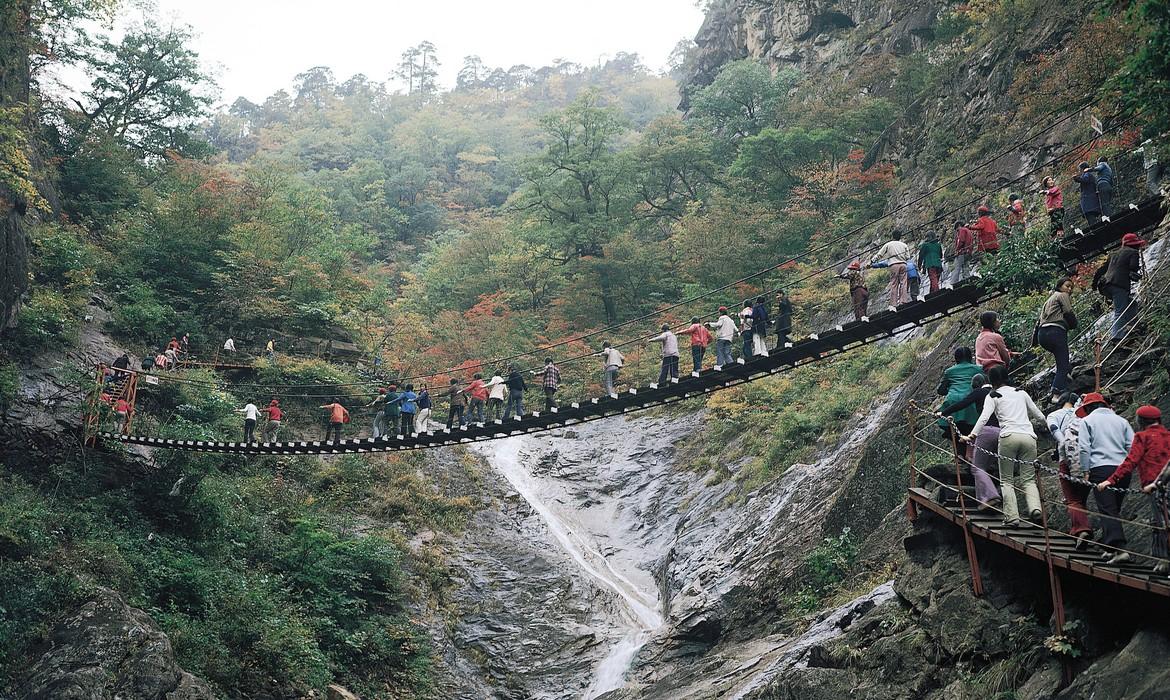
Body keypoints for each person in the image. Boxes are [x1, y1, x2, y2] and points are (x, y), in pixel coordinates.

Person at [966, 365, 1047, 527]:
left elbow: (983, 418)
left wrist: (972, 435)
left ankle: (1012, 518)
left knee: (1007, 481)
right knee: (1029, 479)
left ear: (991, 381)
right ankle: (1035, 508)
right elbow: (1038, 414)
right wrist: (1047, 425)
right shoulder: (1021, 392)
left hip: (1008, 437)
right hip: (1029, 437)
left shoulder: (993, 395)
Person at [1097, 405, 1170, 572]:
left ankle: (1164, 561)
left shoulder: (1142, 437)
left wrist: (1110, 480)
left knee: (1161, 522)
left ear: (1140, 421)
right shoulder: (1168, 436)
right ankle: (1163, 562)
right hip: (1167, 480)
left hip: (1156, 486)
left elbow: (1131, 461)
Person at [1077, 392, 1135, 564]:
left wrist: (1085, 470)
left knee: (1107, 508)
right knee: (1113, 507)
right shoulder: (1121, 421)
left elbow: (1084, 449)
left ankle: (1120, 549)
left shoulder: (1087, 421)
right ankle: (1109, 548)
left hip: (1100, 468)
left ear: (1087, 408)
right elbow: (1132, 446)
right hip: (1123, 469)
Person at [938, 372, 1002, 508]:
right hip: (1005, 431)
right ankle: (986, 500)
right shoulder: (998, 392)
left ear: (976, 386)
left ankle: (989, 497)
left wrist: (943, 412)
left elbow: (962, 403)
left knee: (977, 467)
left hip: (988, 431)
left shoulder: (979, 392)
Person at [1047, 392, 1092, 548]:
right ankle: (1080, 526)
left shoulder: (1054, 415)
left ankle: (1081, 529)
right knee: (1082, 496)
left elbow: (1054, 430)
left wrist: (1064, 443)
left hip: (1068, 457)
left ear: (1062, 401)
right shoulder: (1083, 412)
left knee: (1072, 498)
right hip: (1091, 458)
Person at [1036, 278, 1077, 402]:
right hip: (1056, 331)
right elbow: (1068, 312)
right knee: (1062, 364)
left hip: (1042, 334)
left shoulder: (1048, 300)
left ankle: (1067, 374)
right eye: (1067, 286)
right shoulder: (1062, 295)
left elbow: (1038, 322)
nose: (1069, 289)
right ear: (1059, 286)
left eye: (1071, 288)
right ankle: (1056, 393)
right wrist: (1074, 324)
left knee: (1062, 360)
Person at [936, 346, 983, 453]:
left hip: (952, 402)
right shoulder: (978, 369)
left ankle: (960, 457)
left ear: (956, 358)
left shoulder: (949, 371)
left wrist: (949, 390)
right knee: (971, 429)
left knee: (954, 429)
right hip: (971, 401)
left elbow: (940, 390)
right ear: (970, 356)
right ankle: (971, 456)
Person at [1101, 233, 1145, 342]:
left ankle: (1133, 327)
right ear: (1134, 245)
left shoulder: (1114, 253)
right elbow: (1133, 267)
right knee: (1120, 311)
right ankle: (1117, 337)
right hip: (1118, 285)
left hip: (1105, 285)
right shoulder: (1133, 252)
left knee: (1132, 304)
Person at [871, 230, 911, 307]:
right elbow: (908, 257)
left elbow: (880, 254)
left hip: (893, 265)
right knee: (903, 283)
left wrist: (872, 260)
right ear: (900, 237)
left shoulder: (888, 244)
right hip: (903, 265)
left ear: (892, 236)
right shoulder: (904, 245)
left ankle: (894, 303)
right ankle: (903, 301)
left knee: (894, 284)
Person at [950, 220, 975, 284]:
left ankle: (954, 283)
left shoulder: (962, 230)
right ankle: (967, 280)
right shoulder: (968, 231)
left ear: (958, 226)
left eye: (956, 229)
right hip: (969, 252)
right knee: (966, 267)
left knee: (956, 268)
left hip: (962, 252)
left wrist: (957, 250)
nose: (956, 231)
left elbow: (961, 240)